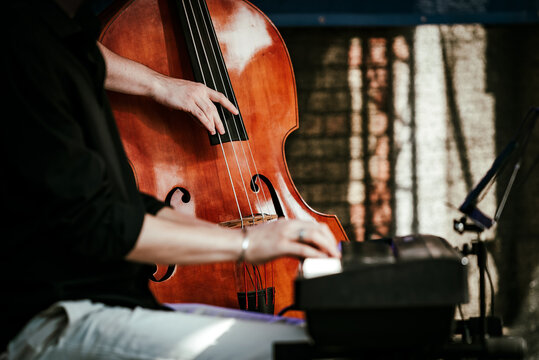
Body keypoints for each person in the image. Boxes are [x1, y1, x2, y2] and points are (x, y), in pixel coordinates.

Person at [1, 0, 340, 359]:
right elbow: (97, 222)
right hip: (50, 317)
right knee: (302, 349)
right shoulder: (21, 48)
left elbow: (126, 207)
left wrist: (238, 235)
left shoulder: (67, 37)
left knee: (311, 332)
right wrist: (243, 244)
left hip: (111, 300)